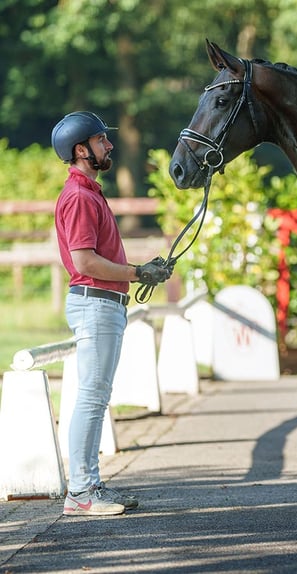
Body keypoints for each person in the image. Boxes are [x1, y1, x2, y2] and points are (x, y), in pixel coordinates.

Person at [51, 111, 172, 516]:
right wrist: (138, 272)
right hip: (95, 302)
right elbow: (84, 261)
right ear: (81, 150)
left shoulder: (88, 192)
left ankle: (88, 487)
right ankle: (81, 493)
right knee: (91, 399)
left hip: (102, 303)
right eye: (102, 140)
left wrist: (141, 270)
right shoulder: (82, 197)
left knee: (96, 398)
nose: (110, 146)